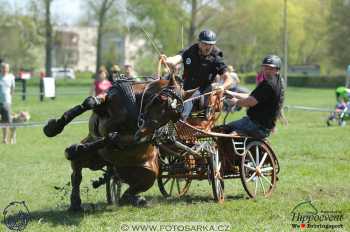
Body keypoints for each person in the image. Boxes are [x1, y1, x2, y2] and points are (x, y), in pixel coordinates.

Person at [162, 29, 233, 120]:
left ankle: (180, 122)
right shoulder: (190, 51)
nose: (207, 47)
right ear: (199, 43)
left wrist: (222, 87)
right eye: (204, 44)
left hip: (202, 90)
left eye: (210, 45)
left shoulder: (216, 58)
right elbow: (177, 58)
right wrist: (169, 60)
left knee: (186, 102)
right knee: (164, 94)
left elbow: (229, 79)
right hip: (185, 85)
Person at [220, 55, 285, 139]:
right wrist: (232, 93)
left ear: (277, 70)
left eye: (270, 69)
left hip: (257, 126)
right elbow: (252, 96)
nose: (267, 71)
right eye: (265, 68)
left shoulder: (269, 84)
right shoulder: (275, 81)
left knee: (223, 131)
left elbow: (251, 102)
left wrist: (236, 101)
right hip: (257, 123)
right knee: (225, 128)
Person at [0, 63, 15, 144]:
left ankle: (5, 139)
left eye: (6, 68)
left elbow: (12, 89)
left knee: (6, 121)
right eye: (3, 68)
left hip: (6, 102)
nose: (4, 69)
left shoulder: (11, 77)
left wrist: (9, 99)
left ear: (8, 69)